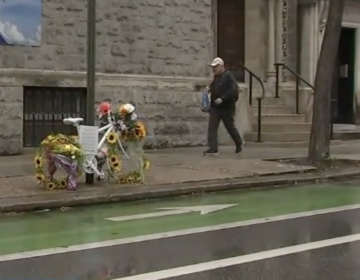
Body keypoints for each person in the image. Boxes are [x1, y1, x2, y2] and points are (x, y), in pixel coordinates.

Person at [204, 57, 244, 155]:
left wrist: (223, 98)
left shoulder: (228, 76)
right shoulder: (216, 77)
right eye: (213, 67)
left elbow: (233, 91)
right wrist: (209, 89)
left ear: (221, 66)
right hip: (216, 107)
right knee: (212, 126)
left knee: (229, 126)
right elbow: (214, 87)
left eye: (216, 67)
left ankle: (239, 142)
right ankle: (213, 148)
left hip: (226, 107)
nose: (214, 69)